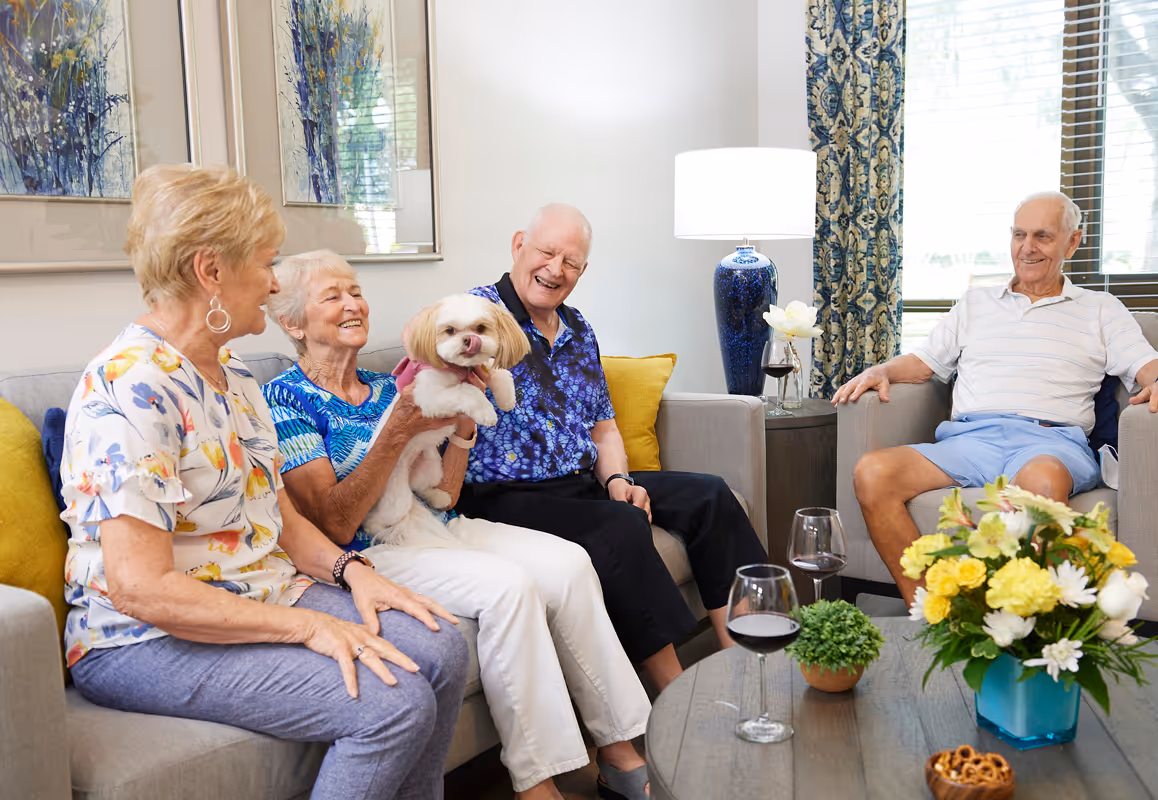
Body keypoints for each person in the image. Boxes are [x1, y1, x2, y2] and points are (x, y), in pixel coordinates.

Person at [61, 165, 469, 800]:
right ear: (211, 271)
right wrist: (309, 627)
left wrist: (354, 573)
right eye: (266, 263)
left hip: (261, 588)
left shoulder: (235, 376)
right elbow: (141, 589)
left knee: (442, 649)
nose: (275, 283)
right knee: (393, 701)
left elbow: (278, 519)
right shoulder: (131, 389)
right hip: (141, 640)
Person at [261, 250, 653, 800]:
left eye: (354, 290)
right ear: (293, 323)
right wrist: (395, 431)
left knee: (569, 563)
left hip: (437, 521)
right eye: (332, 296)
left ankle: (620, 748)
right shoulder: (283, 399)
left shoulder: (386, 382)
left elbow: (444, 492)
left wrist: (464, 430)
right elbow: (334, 521)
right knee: (509, 588)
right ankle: (538, 781)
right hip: (373, 549)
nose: (353, 303)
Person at [452, 204, 770, 692]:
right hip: (502, 495)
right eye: (546, 252)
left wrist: (619, 479)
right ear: (519, 245)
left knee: (711, 495)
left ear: (582, 271)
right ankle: (678, 697)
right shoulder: (475, 316)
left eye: (571, 262)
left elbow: (603, 428)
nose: (555, 270)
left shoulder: (578, 329)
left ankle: (749, 667)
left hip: (579, 486)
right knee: (621, 527)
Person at [834, 191, 1158, 604]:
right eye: (1020, 234)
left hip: (1050, 442)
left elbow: (1148, 365)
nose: (1028, 247)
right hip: (969, 441)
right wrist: (881, 370)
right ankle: (934, 612)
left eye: (1042, 235)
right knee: (872, 472)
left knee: (1039, 484)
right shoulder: (974, 304)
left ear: (1072, 242)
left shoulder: (1100, 309)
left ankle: (1013, 622)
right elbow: (923, 363)